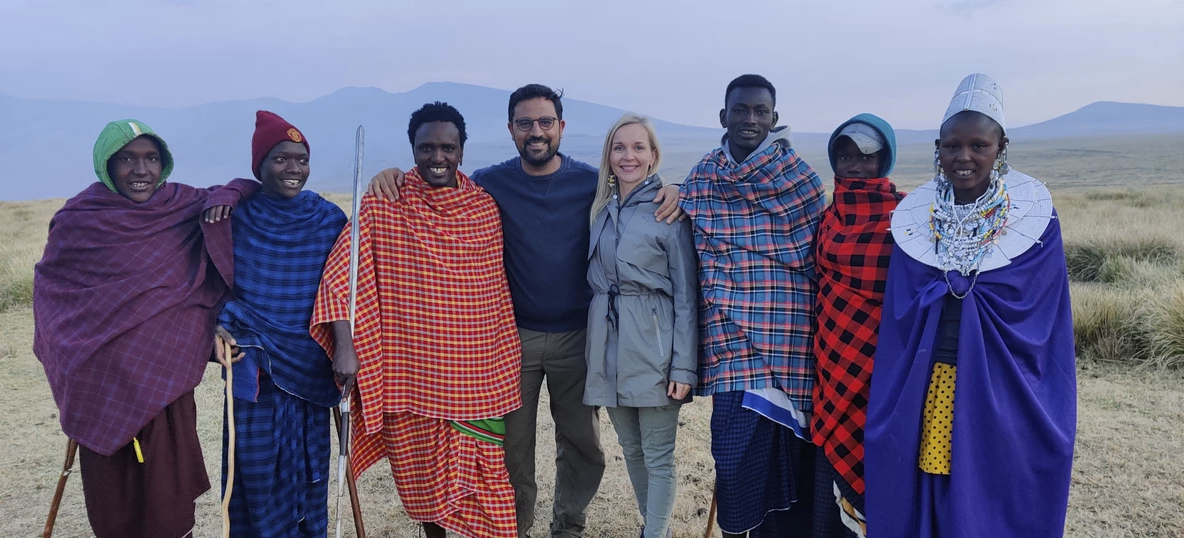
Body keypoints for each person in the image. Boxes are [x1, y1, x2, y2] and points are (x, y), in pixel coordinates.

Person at [365, 84, 684, 537]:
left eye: (545, 122)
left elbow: (636, 187)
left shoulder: (587, 183)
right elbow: (440, 177)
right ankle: (515, 528)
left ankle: (568, 525)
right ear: (511, 130)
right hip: (513, 338)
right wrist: (393, 174)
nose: (536, 132)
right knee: (511, 448)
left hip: (581, 337)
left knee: (584, 445)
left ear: (561, 127)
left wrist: (675, 188)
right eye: (525, 123)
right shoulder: (491, 184)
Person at [864, 73, 1076, 538]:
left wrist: (968, 293)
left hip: (1002, 383)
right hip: (931, 377)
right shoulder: (916, 220)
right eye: (953, 146)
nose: (965, 158)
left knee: (989, 480)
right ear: (937, 148)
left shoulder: (1035, 220)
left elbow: (1040, 310)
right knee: (933, 479)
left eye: (979, 145)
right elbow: (902, 310)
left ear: (1001, 147)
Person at [310, 102, 522, 538]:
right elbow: (341, 280)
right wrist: (346, 348)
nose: (437, 158)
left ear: (463, 151)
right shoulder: (383, 207)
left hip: (475, 378)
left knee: (489, 490)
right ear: (412, 149)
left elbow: (494, 298)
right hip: (413, 377)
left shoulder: (484, 210)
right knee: (425, 486)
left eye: (447, 147)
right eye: (426, 148)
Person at [32, 119, 249, 538]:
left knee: (168, 502)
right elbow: (53, 299)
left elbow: (243, 186)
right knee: (115, 506)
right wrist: (75, 364)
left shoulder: (180, 205)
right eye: (127, 159)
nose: (141, 170)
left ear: (164, 164)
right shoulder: (80, 220)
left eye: (151, 159)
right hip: (102, 387)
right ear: (106, 165)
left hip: (163, 382)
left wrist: (233, 193)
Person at [675, 74, 827, 538]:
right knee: (736, 457)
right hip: (732, 347)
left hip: (792, 341)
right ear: (724, 116)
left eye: (761, 111)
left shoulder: (801, 180)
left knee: (799, 458)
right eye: (741, 110)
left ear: (774, 118)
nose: (750, 119)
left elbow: (817, 261)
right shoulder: (701, 179)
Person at [207, 110, 348, 538]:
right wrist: (215, 327)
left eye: (302, 159)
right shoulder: (236, 218)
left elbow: (343, 288)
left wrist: (345, 346)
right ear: (260, 166)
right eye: (281, 159)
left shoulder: (327, 219)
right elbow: (208, 282)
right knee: (255, 470)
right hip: (255, 364)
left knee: (309, 468)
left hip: (310, 364)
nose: (294, 169)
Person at [583, 113, 698, 538]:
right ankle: (659, 531)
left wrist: (683, 367)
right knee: (630, 448)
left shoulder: (670, 210)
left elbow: (687, 296)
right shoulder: (599, 210)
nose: (628, 156)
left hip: (655, 348)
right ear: (608, 156)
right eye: (619, 147)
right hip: (607, 346)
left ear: (653, 156)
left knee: (658, 455)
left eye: (638, 147)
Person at [809, 113, 904, 538]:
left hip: (877, 363)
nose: (854, 165)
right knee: (832, 462)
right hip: (832, 357)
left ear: (884, 160)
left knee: (871, 453)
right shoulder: (829, 216)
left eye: (866, 156)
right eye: (845, 155)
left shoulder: (906, 217)